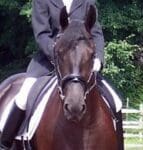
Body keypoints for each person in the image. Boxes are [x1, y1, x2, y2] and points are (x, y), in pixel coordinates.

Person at [0, 0, 123, 149]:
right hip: (48, 60)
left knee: (116, 101)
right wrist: (58, 55)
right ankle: (5, 144)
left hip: (81, 63)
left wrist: (98, 59)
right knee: (23, 96)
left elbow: (96, 33)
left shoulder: (86, 2)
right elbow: (42, 34)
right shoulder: (42, 2)